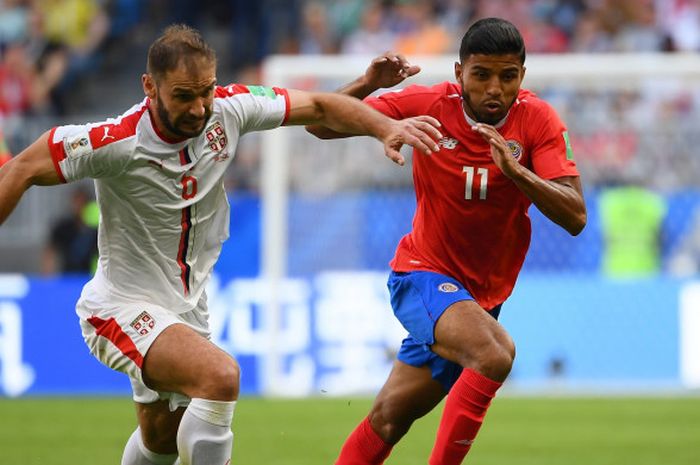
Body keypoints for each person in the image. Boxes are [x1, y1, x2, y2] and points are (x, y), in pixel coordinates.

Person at [0, 24, 442, 465]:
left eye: (206, 91)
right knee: (220, 376)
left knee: (160, 442)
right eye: (184, 95)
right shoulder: (115, 142)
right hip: (119, 306)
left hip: (187, 306)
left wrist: (381, 121)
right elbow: (19, 169)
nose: (199, 108)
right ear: (149, 87)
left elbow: (321, 106)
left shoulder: (230, 108)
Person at [307, 17, 587, 465]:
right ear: (460, 74)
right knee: (494, 353)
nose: (495, 88)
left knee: (388, 419)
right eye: (481, 75)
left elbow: (575, 215)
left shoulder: (538, 120)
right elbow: (321, 124)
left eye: (508, 76)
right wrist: (366, 84)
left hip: (476, 301)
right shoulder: (431, 103)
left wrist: (518, 173)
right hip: (421, 276)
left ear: (522, 77)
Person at [41, 187, 99, 274]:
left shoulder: (96, 229)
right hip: (68, 278)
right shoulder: (63, 227)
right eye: (76, 202)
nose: (78, 206)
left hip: (90, 277)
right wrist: (48, 277)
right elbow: (50, 252)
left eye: (81, 202)